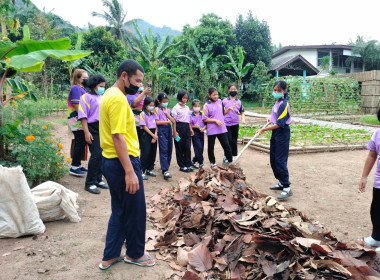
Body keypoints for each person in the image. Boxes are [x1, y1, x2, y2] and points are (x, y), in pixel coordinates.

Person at [98, 59, 155, 270]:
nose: (140, 85)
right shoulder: (117, 100)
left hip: (112, 161)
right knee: (135, 210)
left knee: (120, 209)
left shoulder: (111, 95)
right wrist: (130, 172)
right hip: (123, 162)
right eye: (137, 80)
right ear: (124, 76)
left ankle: (111, 255)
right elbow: (118, 137)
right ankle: (135, 253)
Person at [256, 80, 292, 201]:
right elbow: (276, 117)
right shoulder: (277, 102)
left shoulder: (284, 104)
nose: (276, 92)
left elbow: (280, 123)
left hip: (282, 132)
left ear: (284, 91)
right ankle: (281, 182)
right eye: (275, 90)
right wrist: (270, 118)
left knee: (280, 160)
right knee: (273, 159)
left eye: (278, 90)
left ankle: (287, 187)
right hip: (276, 133)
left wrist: (263, 130)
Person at [78, 74, 109, 194]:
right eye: (101, 86)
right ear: (94, 85)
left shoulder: (102, 96)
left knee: (103, 154)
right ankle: (89, 183)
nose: (103, 88)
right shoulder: (85, 97)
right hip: (92, 128)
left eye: (104, 86)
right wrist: (86, 132)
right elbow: (83, 116)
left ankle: (98, 179)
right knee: (96, 154)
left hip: (103, 127)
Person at [359, 109, 380, 250]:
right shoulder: (377, 133)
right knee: (376, 209)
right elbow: (372, 155)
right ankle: (376, 238)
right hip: (379, 180)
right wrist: (364, 177)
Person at [202, 87, 233, 168]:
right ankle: (213, 162)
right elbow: (205, 119)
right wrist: (215, 121)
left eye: (217, 94)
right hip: (212, 129)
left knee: (226, 145)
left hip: (222, 128)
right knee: (211, 147)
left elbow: (222, 113)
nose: (216, 96)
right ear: (209, 95)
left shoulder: (220, 102)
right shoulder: (206, 105)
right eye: (214, 95)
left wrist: (229, 109)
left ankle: (230, 161)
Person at [67, 69, 89, 177]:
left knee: (81, 141)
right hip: (76, 118)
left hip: (80, 117)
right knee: (80, 141)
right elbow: (76, 105)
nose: (86, 80)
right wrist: (84, 115)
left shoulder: (82, 89)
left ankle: (78, 164)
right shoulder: (76, 88)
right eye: (84, 78)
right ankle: (74, 166)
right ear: (78, 78)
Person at [222, 83, 246, 164]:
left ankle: (232, 157)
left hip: (235, 124)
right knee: (228, 141)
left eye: (234, 89)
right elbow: (222, 113)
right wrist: (228, 110)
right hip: (226, 124)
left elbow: (242, 112)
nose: (233, 91)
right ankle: (226, 157)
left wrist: (243, 119)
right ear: (229, 90)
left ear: (237, 90)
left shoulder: (239, 102)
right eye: (231, 89)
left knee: (234, 141)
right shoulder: (224, 101)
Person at [155, 92, 176, 180]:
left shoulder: (168, 110)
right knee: (163, 149)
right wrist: (167, 122)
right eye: (164, 101)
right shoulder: (156, 110)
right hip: (161, 130)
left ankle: (166, 165)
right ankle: (165, 170)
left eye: (166, 101)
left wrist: (167, 114)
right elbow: (157, 122)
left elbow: (173, 120)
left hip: (168, 129)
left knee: (169, 148)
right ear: (159, 101)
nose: (165, 103)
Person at [172, 90, 194, 172]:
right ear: (180, 97)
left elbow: (188, 120)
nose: (185, 99)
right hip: (178, 128)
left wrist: (190, 129)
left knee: (187, 146)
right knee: (179, 146)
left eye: (186, 98)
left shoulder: (187, 108)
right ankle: (181, 165)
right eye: (184, 97)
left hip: (186, 128)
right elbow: (173, 121)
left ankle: (188, 164)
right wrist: (174, 132)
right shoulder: (175, 108)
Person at [139, 96, 158, 180]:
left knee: (152, 152)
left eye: (153, 105)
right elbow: (144, 126)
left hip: (154, 133)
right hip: (146, 134)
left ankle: (150, 169)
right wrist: (153, 135)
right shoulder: (142, 114)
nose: (152, 107)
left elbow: (157, 125)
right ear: (146, 105)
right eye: (150, 105)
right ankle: (141, 170)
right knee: (145, 153)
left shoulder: (154, 114)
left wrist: (155, 135)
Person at [190, 99, 206, 169]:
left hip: (201, 132)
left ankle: (193, 160)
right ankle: (201, 163)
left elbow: (206, 123)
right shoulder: (191, 115)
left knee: (201, 148)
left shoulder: (202, 114)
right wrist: (195, 126)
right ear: (192, 106)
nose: (197, 107)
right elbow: (189, 125)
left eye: (198, 106)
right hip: (195, 132)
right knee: (198, 147)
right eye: (195, 106)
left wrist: (204, 128)